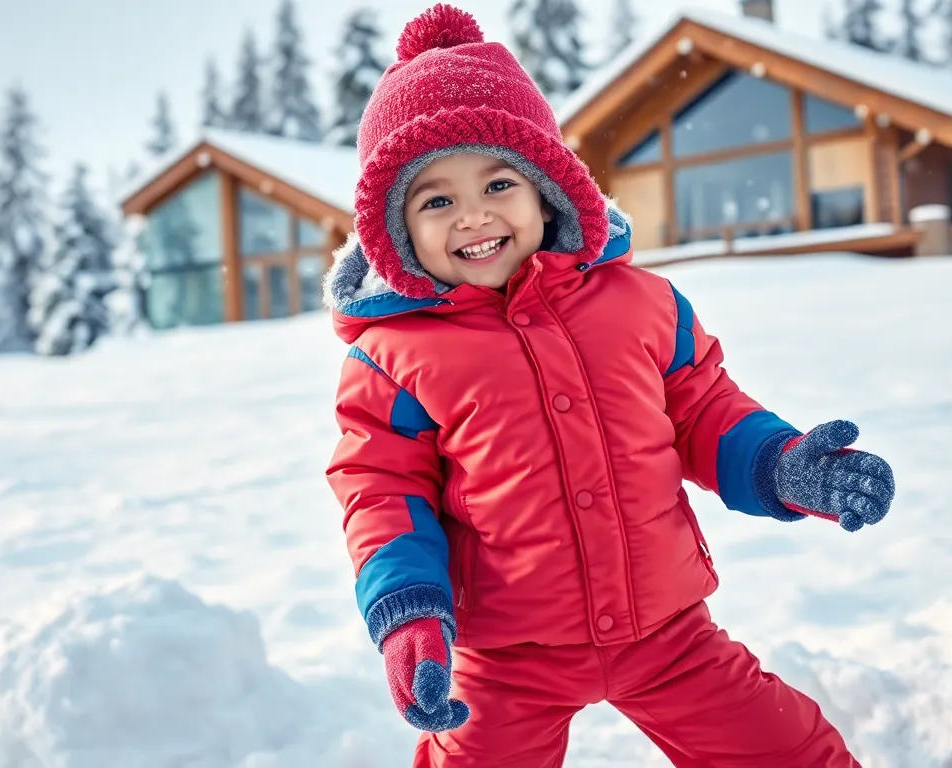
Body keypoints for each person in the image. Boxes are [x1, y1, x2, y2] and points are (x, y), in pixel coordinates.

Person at [322, 5, 895, 766]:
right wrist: (408, 614)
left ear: (546, 188)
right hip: (505, 655)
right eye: (437, 200)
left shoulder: (638, 305)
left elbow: (704, 412)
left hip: (665, 628)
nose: (475, 215)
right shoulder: (394, 355)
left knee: (783, 749)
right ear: (396, 230)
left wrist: (786, 468)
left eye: (498, 181)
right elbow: (381, 492)